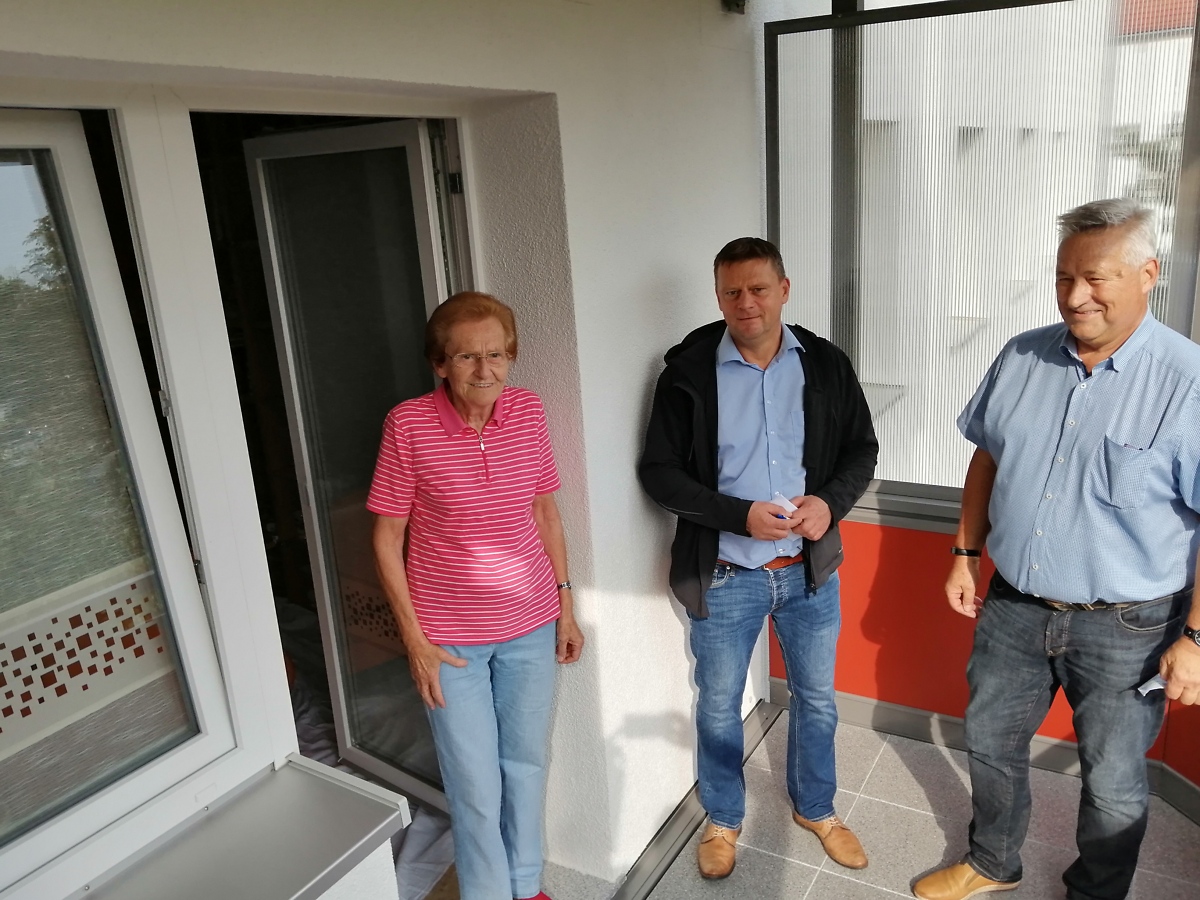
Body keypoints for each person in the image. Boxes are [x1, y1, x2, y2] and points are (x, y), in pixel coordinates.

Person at [912, 199, 1200, 900]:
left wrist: (1195, 638)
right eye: (1064, 277)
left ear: (1148, 274)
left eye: (1096, 278)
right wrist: (964, 553)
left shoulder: (1188, 381)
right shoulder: (1022, 355)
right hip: (1013, 605)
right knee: (990, 742)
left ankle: (1094, 893)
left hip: (1128, 626)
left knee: (1114, 781)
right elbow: (987, 456)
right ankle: (992, 862)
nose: (1075, 297)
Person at [639, 237, 878, 879]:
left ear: (784, 290)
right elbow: (658, 473)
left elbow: (861, 449)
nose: (746, 303)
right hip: (725, 574)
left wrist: (830, 503)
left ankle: (816, 808)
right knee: (719, 704)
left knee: (816, 698)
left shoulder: (824, 365)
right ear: (718, 297)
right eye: (732, 291)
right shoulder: (688, 373)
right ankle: (722, 819)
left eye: (759, 289)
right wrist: (736, 515)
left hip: (807, 572)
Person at [368, 291, 584, 900]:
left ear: (510, 357)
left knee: (526, 765)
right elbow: (387, 537)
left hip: (531, 624)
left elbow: (545, 512)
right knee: (474, 784)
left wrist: (565, 606)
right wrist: (415, 641)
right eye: (467, 357)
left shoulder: (528, 410)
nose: (485, 369)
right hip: (449, 642)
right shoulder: (409, 425)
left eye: (496, 355)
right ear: (440, 363)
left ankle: (527, 885)